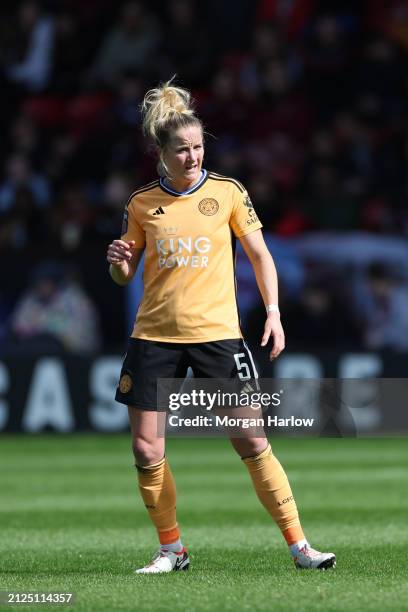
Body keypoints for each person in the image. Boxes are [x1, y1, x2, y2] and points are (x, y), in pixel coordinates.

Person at [107, 80, 336, 574]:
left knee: (251, 440)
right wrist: (118, 262)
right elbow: (124, 269)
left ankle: (300, 546)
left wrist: (274, 313)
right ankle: (172, 549)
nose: (192, 157)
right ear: (161, 153)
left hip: (217, 334)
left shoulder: (228, 192)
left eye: (197, 147)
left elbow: (259, 255)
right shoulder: (142, 203)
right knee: (146, 447)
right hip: (154, 336)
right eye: (181, 150)